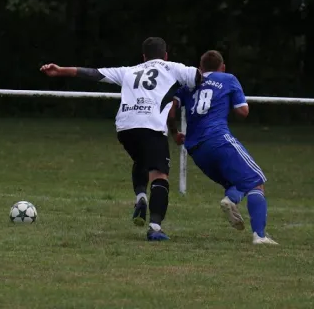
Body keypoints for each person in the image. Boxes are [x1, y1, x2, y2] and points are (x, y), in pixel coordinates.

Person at [40, 37, 202, 241]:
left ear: (143, 57)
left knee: (141, 160)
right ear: (165, 55)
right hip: (150, 125)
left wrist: (60, 70)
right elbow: (198, 76)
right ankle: (155, 228)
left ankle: (141, 197)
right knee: (159, 176)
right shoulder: (173, 68)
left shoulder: (129, 70)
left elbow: (94, 73)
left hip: (125, 127)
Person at [168, 50, 278, 245]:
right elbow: (243, 111)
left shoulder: (188, 83)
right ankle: (259, 235)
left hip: (195, 148)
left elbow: (171, 110)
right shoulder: (228, 79)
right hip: (218, 139)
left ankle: (232, 198)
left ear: (200, 68)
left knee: (236, 182)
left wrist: (175, 133)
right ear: (223, 67)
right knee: (255, 179)